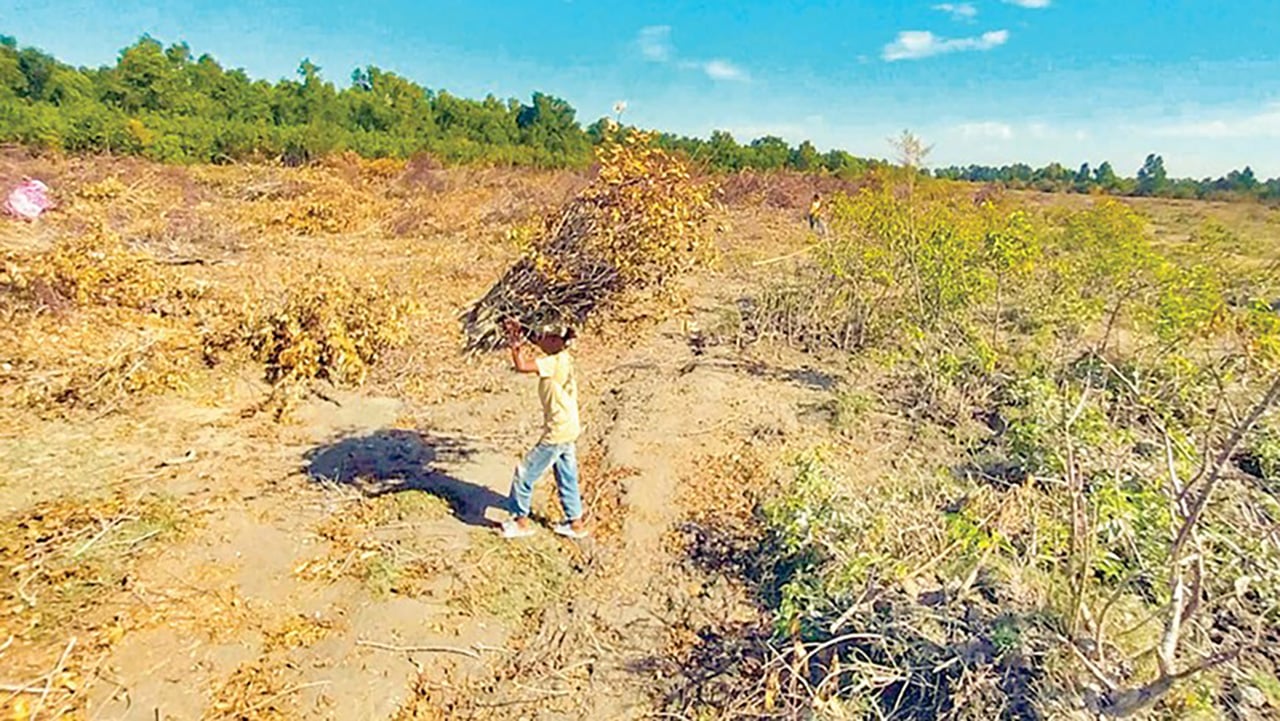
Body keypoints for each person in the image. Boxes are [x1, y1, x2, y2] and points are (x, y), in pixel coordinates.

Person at [499, 318, 588, 540]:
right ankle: (575, 523)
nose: (542, 340)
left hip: (557, 431)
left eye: (549, 337)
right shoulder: (563, 356)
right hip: (569, 427)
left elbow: (521, 366)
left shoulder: (554, 362)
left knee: (525, 472)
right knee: (566, 474)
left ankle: (520, 521)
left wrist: (514, 344)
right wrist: (520, 328)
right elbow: (540, 341)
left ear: (559, 340)